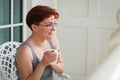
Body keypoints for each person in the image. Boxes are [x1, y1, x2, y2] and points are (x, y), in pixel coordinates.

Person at [16, 5, 64, 80]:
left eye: (54, 24)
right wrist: (43, 63)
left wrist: (51, 62)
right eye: (48, 25)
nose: (54, 29)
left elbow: (61, 70)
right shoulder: (25, 51)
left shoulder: (53, 41)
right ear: (34, 27)